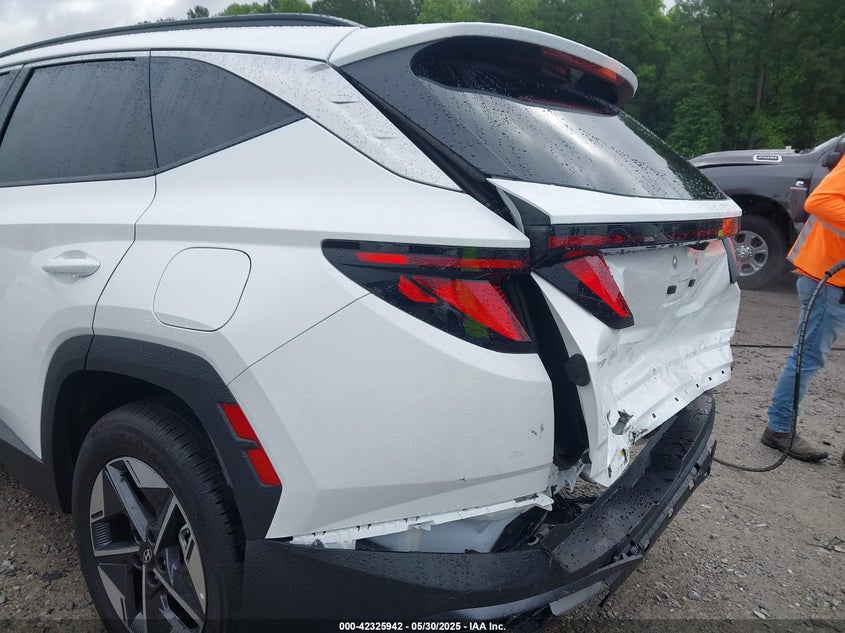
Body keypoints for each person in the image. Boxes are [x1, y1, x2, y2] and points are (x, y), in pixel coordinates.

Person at [761, 149, 845, 462]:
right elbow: (819, 201)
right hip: (828, 279)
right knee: (807, 356)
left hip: (834, 278)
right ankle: (779, 429)